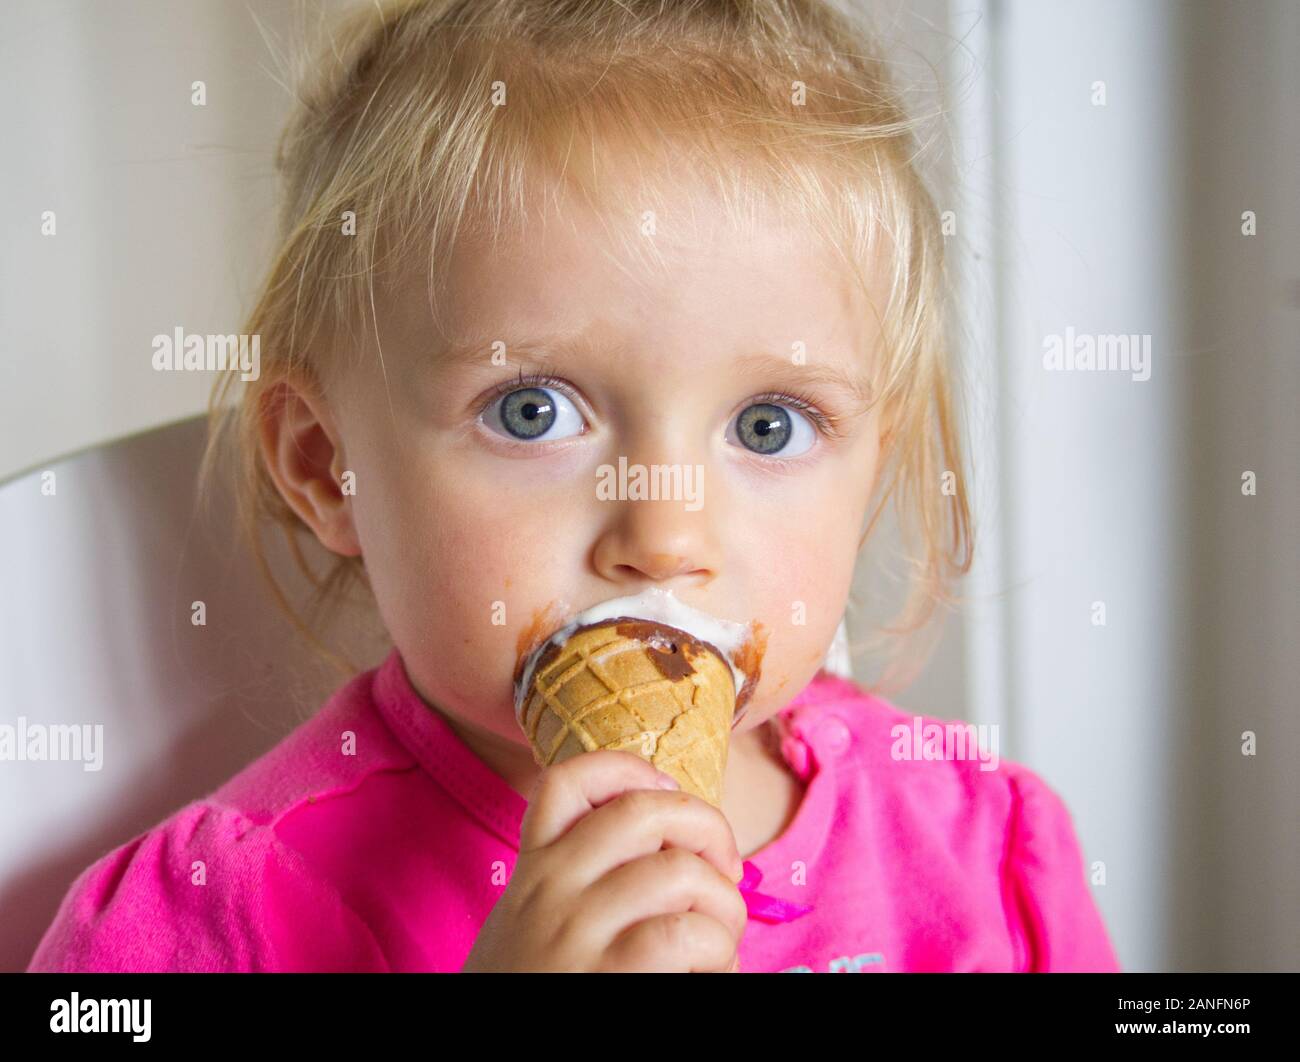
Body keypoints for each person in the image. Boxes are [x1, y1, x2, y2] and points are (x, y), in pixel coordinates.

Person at [28, 0, 1120, 973]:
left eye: (767, 425)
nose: (663, 533)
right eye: (531, 411)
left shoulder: (984, 856)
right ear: (328, 467)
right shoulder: (207, 924)